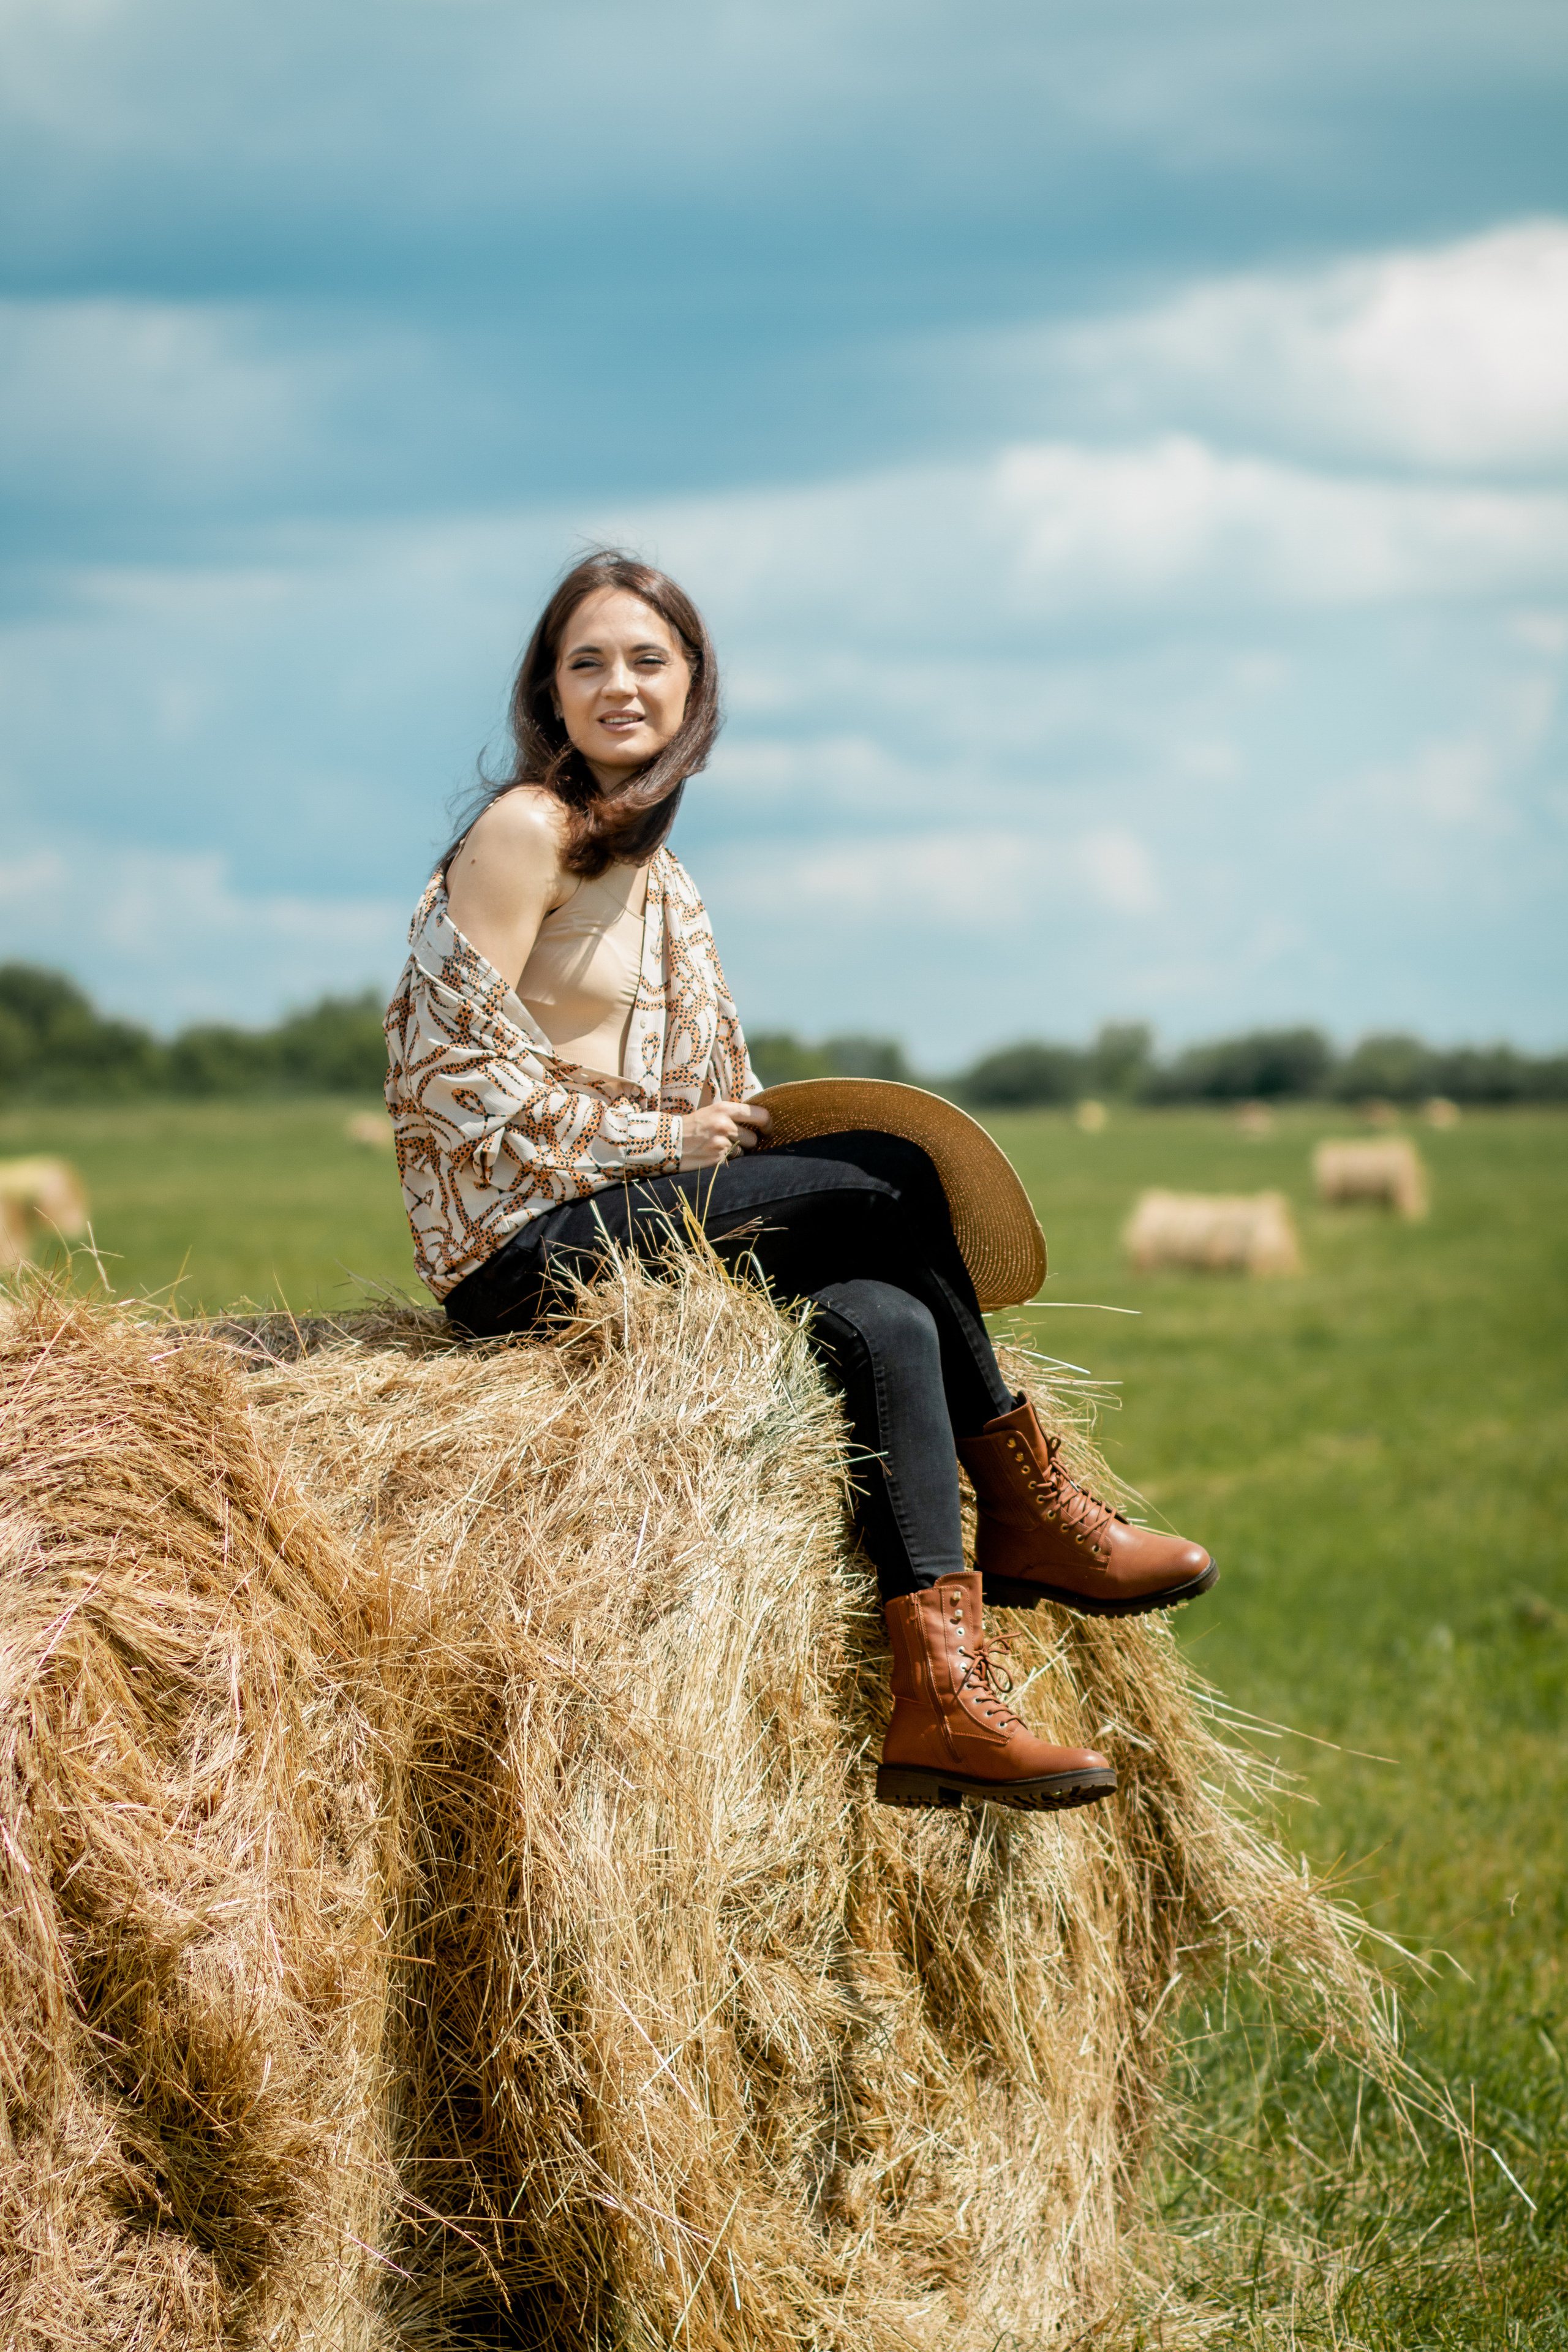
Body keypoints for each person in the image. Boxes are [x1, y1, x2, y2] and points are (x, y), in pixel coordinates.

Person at [385, 551, 1216, 1815]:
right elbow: (440, 1073)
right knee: (888, 1171)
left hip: (641, 1218)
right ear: (547, 696)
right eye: (586, 662)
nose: (618, 685)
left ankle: (940, 1698)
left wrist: (710, 1150)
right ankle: (1026, 1503)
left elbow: (724, 1106)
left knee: (883, 1316)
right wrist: (659, 1138)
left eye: (647, 661)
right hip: (524, 1243)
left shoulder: (671, 890)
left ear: (693, 690)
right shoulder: (523, 832)